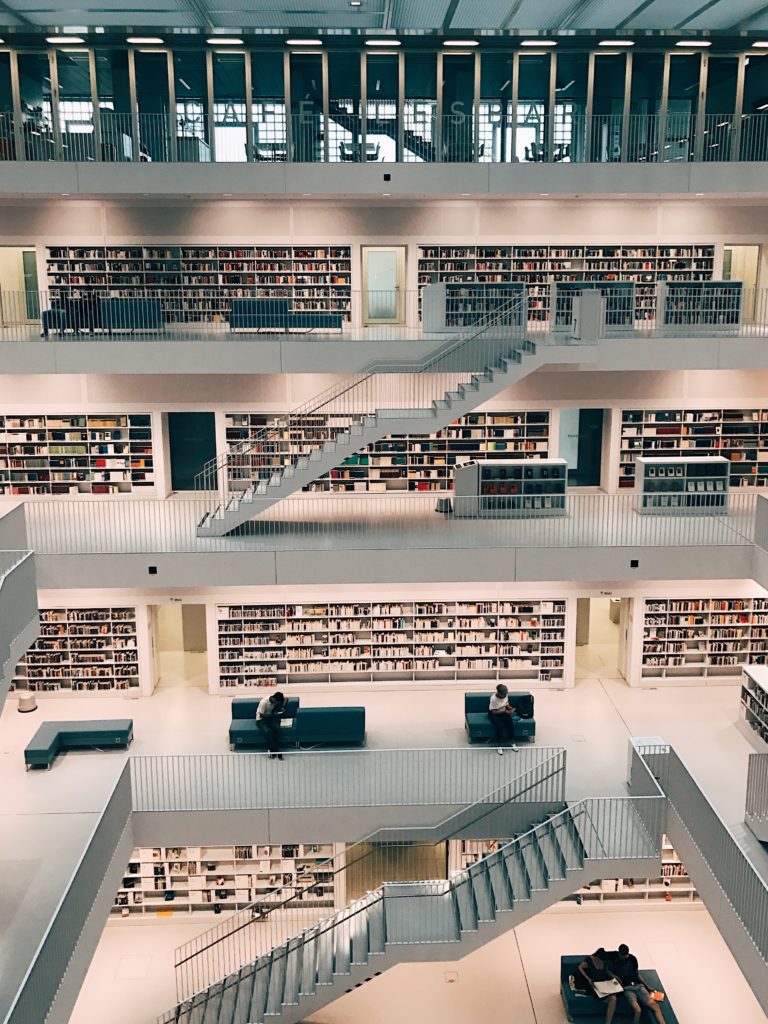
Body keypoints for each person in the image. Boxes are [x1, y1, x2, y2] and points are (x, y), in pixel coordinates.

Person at [609, 944, 664, 1024]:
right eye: (621, 955)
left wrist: (647, 987)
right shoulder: (614, 959)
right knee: (638, 1010)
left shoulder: (632, 959)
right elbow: (607, 970)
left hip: (638, 986)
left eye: (624, 955)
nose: (622, 957)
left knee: (655, 1006)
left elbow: (637, 974)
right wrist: (614, 976)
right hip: (627, 988)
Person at [578, 949, 618, 1024]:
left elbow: (606, 971)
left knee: (614, 998)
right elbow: (580, 967)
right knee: (611, 998)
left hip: (604, 984)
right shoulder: (589, 961)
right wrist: (588, 979)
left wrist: (614, 976)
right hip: (594, 986)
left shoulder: (604, 962)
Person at [256, 691, 287, 759]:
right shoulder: (263, 702)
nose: (277, 704)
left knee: (277, 729)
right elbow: (261, 715)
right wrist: (272, 714)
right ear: (274, 699)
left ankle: (273, 750)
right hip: (261, 720)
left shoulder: (275, 700)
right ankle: (275, 750)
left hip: (270, 718)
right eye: (277, 703)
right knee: (268, 732)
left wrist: (282, 707)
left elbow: (286, 699)